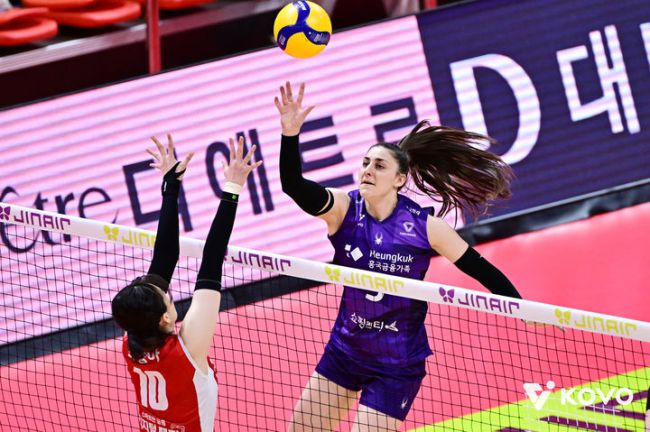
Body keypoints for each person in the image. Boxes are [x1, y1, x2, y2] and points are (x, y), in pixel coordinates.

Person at [275, 82, 523, 431]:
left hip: (396, 365)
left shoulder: (425, 226)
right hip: (345, 351)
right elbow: (293, 185)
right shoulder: (343, 210)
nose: (367, 170)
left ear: (399, 179)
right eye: (365, 163)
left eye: (379, 166)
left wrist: (521, 307)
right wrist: (290, 135)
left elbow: (480, 268)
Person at [111, 134, 261, 432]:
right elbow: (212, 257)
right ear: (165, 317)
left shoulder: (132, 341)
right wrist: (233, 187)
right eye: (167, 296)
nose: (167, 290)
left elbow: (166, 256)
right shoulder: (189, 347)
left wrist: (171, 184)